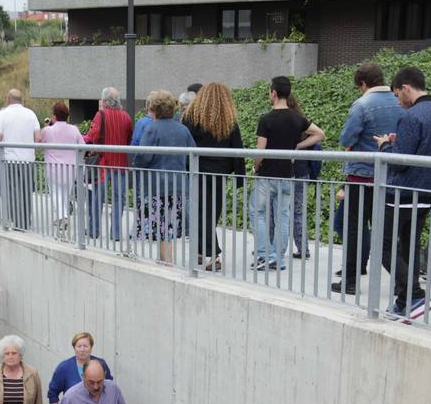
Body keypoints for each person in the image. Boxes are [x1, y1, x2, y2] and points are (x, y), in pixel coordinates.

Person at [373, 66, 431, 319]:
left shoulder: (412, 117)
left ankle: (415, 294)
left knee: (383, 247)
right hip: (428, 192)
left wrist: (386, 145)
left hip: (403, 192)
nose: (398, 101)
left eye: (398, 95)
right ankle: (404, 301)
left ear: (406, 88)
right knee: (409, 246)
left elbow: (399, 161)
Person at [333, 62, 406, 295]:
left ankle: (351, 280)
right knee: (387, 233)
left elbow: (346, 139)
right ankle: (402, 282)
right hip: (390, 177)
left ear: (362, 83)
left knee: (355, 227)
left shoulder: (362, 105)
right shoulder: (399, 102)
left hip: (361, 177)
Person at [252, 76, 325, 272]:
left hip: (267, 175)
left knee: (258, 213)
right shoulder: (297, 118)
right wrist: (296, 147)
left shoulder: (266, 119)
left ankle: (263, 255)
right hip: (287, 175)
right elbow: (320, 134)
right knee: (283, 216)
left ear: (273, 93)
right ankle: (277, 258)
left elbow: (260, 152)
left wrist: (255, 166)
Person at [182, 82, 247, 270]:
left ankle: (210, 253)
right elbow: (237, 147)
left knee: (200, 212)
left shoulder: (192, 118)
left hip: (197, 170)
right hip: (220, 172)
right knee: (211, 212)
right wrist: (239, 176)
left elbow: (186, 144)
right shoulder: (228, 121)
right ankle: (206, 252)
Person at [131, 91, 196, 263]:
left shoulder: (151, 129)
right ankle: (166, 261)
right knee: (168, 228)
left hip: (155, 187)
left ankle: (165, 262)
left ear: (154, 108)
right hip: (178, 186)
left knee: (160, 228)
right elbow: (193, 155)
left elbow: (143, 157)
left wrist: (135, 163)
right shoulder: (183, 129)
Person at [82, 87, 134, 241]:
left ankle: (93, 230)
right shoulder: (126, 117)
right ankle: (116, 233)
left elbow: (92, 136)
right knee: (119, 199)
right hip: (121, 164)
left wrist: (80, 140)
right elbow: (129, 138)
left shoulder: (101, 115)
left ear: (104, 102)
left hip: (103, 164)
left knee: (98, 198)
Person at [0, 89, 42, 231]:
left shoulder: (2, 115)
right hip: (28, 160)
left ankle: (18, 222)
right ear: (22, 100)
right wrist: (32, 151)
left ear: (8, 99)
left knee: (13, 191)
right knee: (26, 191)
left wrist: (0, 158)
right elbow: (38, 138)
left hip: (9, 160)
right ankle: (25, 221)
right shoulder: (31, 114)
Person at [41, 102, 85, 238]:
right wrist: (79, 160)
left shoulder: (48, 130)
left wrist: (46, 127)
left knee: (56, 194)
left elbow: (40, 144)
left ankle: (63, 217)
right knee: (65, 195)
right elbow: (82, 146)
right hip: (70, 168)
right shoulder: (74, 129)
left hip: (53, 168)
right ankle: (63, 216)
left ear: (54, 116)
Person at [47, 332, 114, 404]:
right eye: (79, 346)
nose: (82, 349)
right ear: (74, 348)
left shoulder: (101, 364)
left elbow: (110, 389)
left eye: (86, 346)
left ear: (91, 347)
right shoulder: (64, 368)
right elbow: (52, 393)